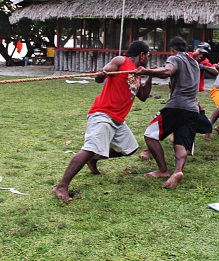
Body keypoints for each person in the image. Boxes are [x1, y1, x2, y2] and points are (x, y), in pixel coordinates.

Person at [52, 41, 152, 201]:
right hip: (103, 114)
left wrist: (150, 76)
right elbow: (101, 76)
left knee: (130, 148)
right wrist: (101, 74)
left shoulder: (136, 73)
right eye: (148, 56)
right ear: (142, 55)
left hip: (118, 120)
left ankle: (92, 158)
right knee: (90, 147)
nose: (148, 59)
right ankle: (61, 186)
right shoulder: (121, 61)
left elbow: (143, 97)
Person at [135, 36, 199, 189]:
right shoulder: (195, 63)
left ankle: (163, 170)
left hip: (176, 106)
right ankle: (177, 171)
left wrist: (147, 71)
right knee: (180, 143)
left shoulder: (175, 58)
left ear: (172, 49)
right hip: (193, 109)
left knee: (149, 135)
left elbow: (168, 71)